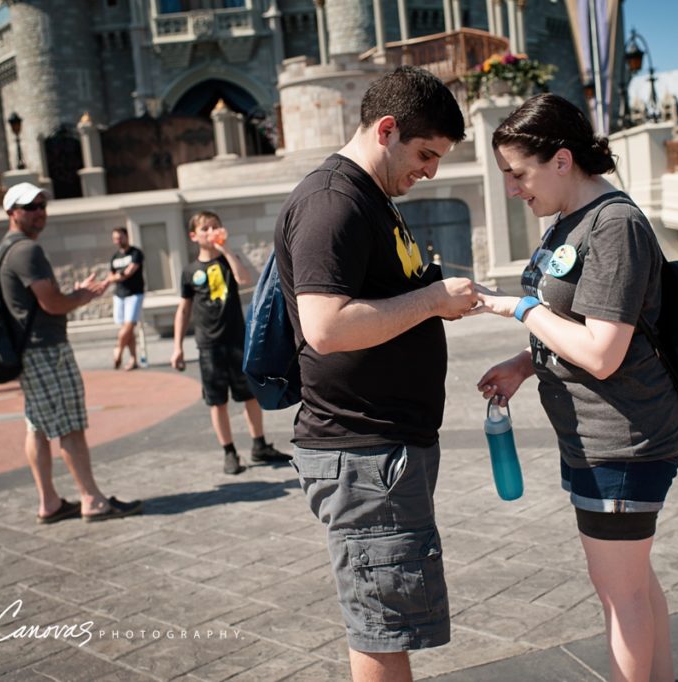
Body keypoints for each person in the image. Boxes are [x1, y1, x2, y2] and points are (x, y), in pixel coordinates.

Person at [472, 94, 678, 682]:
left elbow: (602, 351)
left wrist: (517, 309)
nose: (514, 189)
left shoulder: (613, 225)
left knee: (621, 597)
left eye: (519, 174)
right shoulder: (570, 221)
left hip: (624, 439)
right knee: (633, 584)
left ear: (561, 160)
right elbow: (576, 326)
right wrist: (524, 362)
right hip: (598, 438)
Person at [274, 66, 476, 682]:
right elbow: (326, 328)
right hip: (364, 454)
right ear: (386, 130)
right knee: (381, 630)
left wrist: (437, 291)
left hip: (382, 450)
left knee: (387, 623)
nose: (431, 171)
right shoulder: (334, 202)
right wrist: (434, 301)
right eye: (425, 154)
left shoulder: (369, 197)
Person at [0, 182, 144, 524]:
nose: (38, 212)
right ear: (11, 212)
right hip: (46, 350)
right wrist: (80, 297)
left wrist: (73, 294)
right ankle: (92, 500)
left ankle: (48, 502)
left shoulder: (5, 249)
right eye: (29, 206)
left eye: (41, 205)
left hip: (27, 351)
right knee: (70, 425)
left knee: (36, 425)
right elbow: (51, 303)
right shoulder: (26, 251)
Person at [170, 211, 290, 475]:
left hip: (237, 340)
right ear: (193, 236)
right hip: (208, 345)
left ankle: (259, 445)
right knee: (217, 400)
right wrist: (177, 345)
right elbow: (183, 310)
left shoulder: (228, 260)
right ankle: (229, 452)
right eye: (205, 229)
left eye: (215, 226)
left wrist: (225, 250)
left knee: (249, 395)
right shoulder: (190, 271)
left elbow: (244, 279)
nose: (211, 232)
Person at [107, 227, 145, 371]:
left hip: (134, 294)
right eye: (115, 238)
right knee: (127, 330)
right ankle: (133, 359)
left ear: (126, 236)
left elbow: (129, 272)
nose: (118, 241)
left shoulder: (136, 253)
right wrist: (117, 276)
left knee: (129, 326)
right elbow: (111, 275)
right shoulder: (115, 257)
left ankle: (118, 349)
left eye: (120, 237)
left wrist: (117, 276)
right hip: (119, 295)